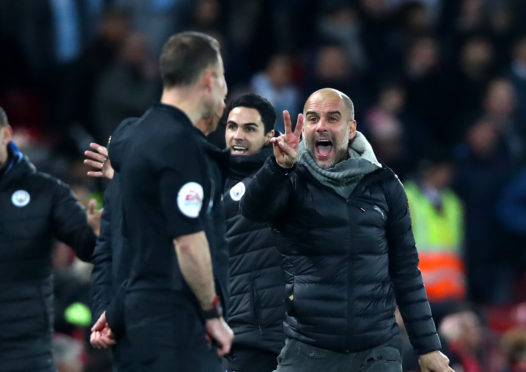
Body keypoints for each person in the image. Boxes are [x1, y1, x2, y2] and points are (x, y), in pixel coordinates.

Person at [240, 88, 453, 371]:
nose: (321, 126)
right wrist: (277, 168)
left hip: (377, 355)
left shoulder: (385, 185)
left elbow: (406, 272)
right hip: (307, 350)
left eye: (332, 118)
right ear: (304, 128)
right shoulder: (290, 178)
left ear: (351, 129)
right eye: (313, 119)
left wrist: (428, 348)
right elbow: (252, 210)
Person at [90, 31, 233, 371]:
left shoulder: (135, 139)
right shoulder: (181, 145)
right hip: (176, 325)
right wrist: (211, 314)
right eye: (223, 78)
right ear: (209, 79)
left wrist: (116, 310)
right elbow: (186, 241)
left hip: (137, 318)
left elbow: (139, 244)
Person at [0, 106, 100, 371]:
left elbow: (89, 246)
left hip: (27, 353)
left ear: (6, 134)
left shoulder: (46, 192)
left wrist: (97, 232)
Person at [222, 93, 285, 372]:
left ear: (269, 136)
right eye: (232, 126)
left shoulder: (284, 177)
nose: (238, 136)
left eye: (249, 129)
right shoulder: (212, 177)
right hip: (222, 331)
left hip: (265, 335)